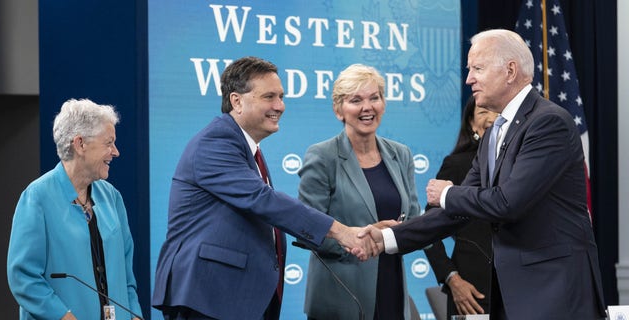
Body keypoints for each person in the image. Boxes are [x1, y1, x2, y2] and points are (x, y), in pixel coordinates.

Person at [358, 29, 607, 320]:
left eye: (477, 69)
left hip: (554, 293)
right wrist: (387, 238)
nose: (468, 79)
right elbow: (456, 213)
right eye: (469, 70)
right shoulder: (493, 136)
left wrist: (448, 193)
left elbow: (508, 202)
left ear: (510, 71)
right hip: (511, 295)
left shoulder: (548, 123)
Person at [151, 56, 377, 320]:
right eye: (269, 97)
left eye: (281, 97)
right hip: (210, 297)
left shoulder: (247, 148)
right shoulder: (216, 141)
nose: (279, 106)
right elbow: (262, 200)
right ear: (237, 101)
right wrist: (340, 232)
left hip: (238, 300)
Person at [298, 64, 420, 320]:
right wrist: (359, 241)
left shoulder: (401, 154)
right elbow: (307, 229)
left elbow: (413, 221)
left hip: (392, 287)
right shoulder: (322, 156)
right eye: (356, 100)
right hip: (341, 297)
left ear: (384, 103)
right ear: (338, 109)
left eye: (374, 98)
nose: (367, 107)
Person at [7, 99, 143, 320]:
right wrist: (63, 316)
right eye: (108, 143)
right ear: (80, 144)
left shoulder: (112, 197)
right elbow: (24, 277)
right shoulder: (37, 197)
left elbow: (127, 275)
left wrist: (134, 314)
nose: (115, 152)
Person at [423, 96, 497, 318]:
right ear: (472, 125)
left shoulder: (524, 164)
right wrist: (452, 278)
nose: (492, 118)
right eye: (483, 112)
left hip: (522, 288)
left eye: (497, 112)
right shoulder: (457, 165)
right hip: (472, 293)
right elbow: (429, 230)